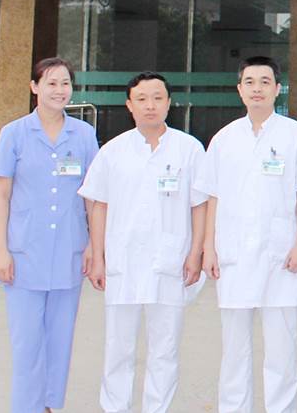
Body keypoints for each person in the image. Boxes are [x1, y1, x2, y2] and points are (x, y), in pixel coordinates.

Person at [79, 71, 207, 413]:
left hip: (171, 261)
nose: (150, 105)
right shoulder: (114, 151)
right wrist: (99, 256)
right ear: (129, 105)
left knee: (165, 348)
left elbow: (200, 205)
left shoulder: (189, 149)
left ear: (169, 103)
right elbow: (98, 206)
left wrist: (196, 252)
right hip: (123, 262)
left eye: (157, 98)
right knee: (118, 347)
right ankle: (115, 408)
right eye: (142, 99)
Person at [196, 56, 297, 413]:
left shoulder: (296, 135)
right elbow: (212, 196)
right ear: (239, 90)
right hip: (234, 255)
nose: (257, 88)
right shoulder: (224, 138)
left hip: (282, 256)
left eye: (265, 81)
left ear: (278, 89)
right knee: (235, 350)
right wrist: (208, 248)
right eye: (250, 82)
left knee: (281, 350)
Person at [0, 57, 100, 413]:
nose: (59, 90)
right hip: (24, 255)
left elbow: (92, 197)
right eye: (51, 83)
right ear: (34, 87)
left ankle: (52, 405)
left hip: (69, 252)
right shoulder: (14, 133)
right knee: (26, 344)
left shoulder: (83, 135)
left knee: (60, 340)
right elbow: (2, 196)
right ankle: (26, 407)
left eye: (65, 83)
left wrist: (94, 249)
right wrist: (2, 252)